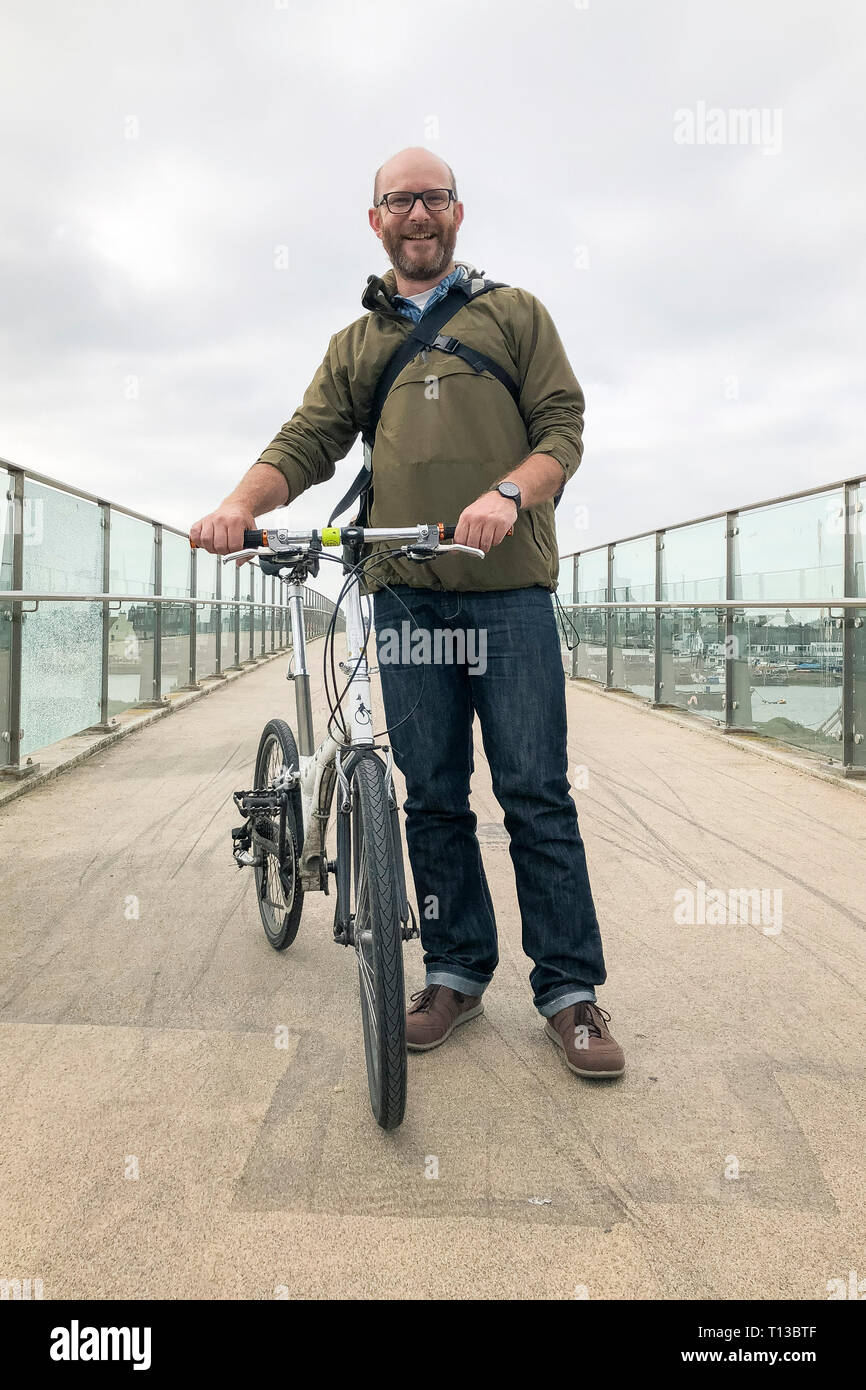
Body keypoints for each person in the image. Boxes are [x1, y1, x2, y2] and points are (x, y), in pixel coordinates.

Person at [190, 147, 625, 1079]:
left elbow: (563, 428)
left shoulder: (514, 313)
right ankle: (456, 972)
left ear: (458, 214)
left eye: (432, 198)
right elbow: (308, 439)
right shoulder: (359, 343)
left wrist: (510, 493)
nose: (416, 213)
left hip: (507, 594)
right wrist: (239, 504)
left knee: (536, 795)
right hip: (404, 596)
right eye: (399, 200)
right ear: (376, 220)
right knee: (429, 795)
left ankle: (570, 993)